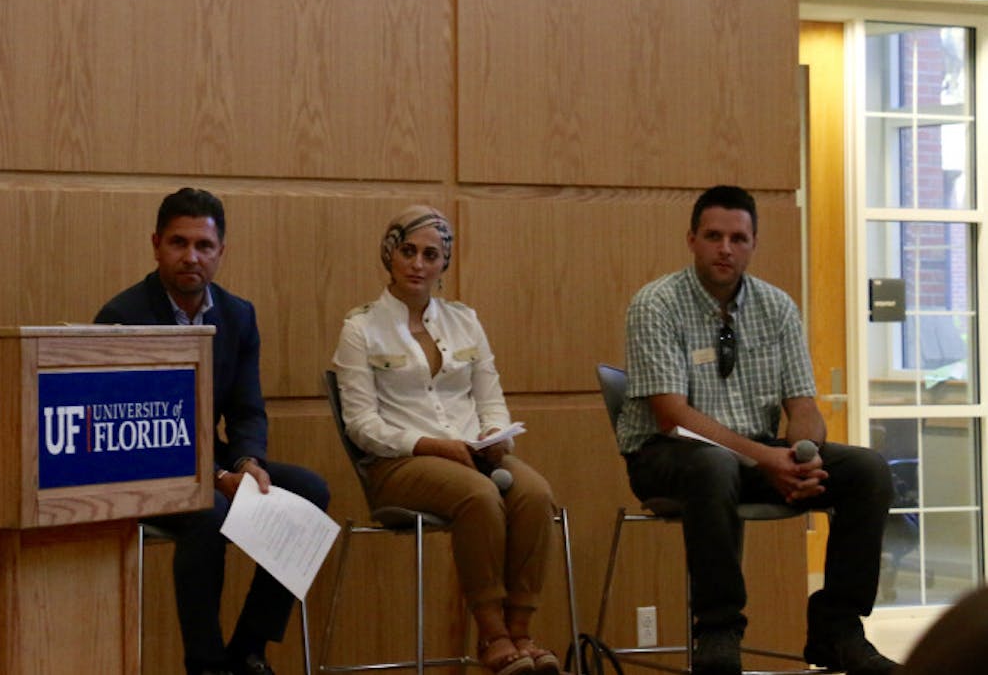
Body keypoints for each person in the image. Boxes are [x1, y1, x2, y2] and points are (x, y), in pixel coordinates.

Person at [618, 185, 896, 675]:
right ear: (692, 240)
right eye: (713, 236)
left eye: (738, 239)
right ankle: (718, 629)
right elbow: (672, 417)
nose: (725, 248)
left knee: (867, 470)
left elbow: (803, 405)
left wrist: (803, 454)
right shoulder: (656, 303)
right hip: (669, 456)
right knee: (713, 465)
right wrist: (765, 458)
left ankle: (837, 629)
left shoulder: (777, 307)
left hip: (757, 456)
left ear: (753, 244)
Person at [95, 187, 330, 675]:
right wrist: (220, 476)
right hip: (141, 465)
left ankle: (248, 650)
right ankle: (205, 663)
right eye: (178, 243)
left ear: (221, 251)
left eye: (204, 246)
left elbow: (246, 410)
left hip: (212, 460)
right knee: (211, 510)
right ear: (156, 245)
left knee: (309, 491)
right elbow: (129, 430)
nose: (191, 257)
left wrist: (248, 463)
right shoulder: (122, 317)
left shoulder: (238, 314)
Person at [332, 205, 562, 675]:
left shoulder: (464, 321)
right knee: (479, 496)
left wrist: (495, 436)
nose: (418, 264)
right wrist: (431, 446)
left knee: (536, 493)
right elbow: (361, 425)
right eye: (408, 251)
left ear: (444, 264)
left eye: (431, 255)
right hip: (398, 464)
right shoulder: (360, 328)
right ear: (389, 255)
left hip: (472, 455)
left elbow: (491, 399)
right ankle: (492, 635)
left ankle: (521, 633)